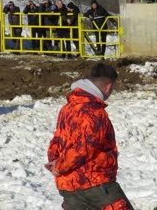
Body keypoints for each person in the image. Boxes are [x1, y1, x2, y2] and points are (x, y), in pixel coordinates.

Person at [46, 63, 133, 210]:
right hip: (95, 184)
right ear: (108, 86)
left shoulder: (67, 108)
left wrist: (54, 161)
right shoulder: (94, 112)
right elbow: (84, 149)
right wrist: (60, 166)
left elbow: (57, 139)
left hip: (67, 185)